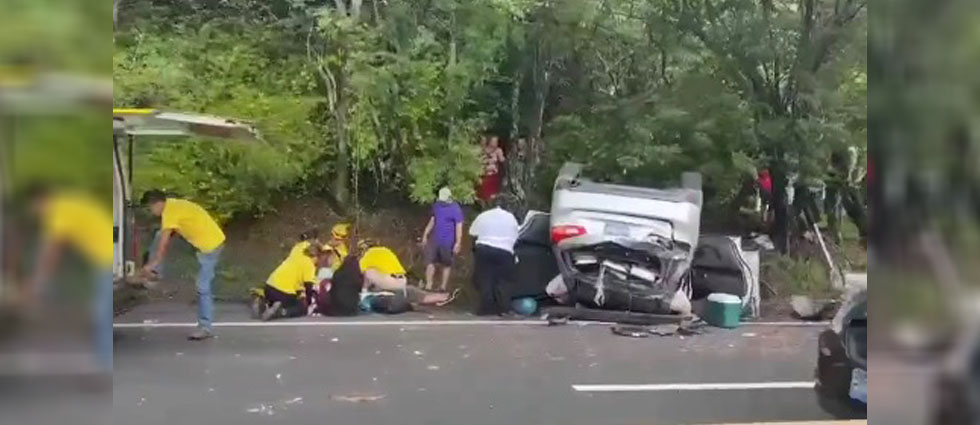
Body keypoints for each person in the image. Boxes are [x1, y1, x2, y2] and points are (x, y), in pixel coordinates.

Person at [26, 186, 114, 372]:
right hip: (104, 258)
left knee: (102, 312)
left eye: (35, 208)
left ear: (40, 200)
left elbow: (53, 248)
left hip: (106, 258)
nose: (36, 213)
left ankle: (105, 362)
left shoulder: (59, 211)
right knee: (100, 310)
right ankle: (103, 360)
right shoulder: (71, 205)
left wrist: (40, 279)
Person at [141, 190, 225, 340]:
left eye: (150, 208)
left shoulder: (170, 212)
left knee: (202, 286)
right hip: (204, 241)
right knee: (160, 235)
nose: (151, 212)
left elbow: (164, 244)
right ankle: (156, 273)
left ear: (157, 204)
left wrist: (152, 264)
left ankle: (205, 328)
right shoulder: (173, 205)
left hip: (210, 247)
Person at [357, 240, 457, 306]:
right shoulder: (385, 251)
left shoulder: (369, 255)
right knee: (411, 292)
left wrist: (363, 290)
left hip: (390, 282)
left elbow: (360, 272)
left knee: (369, 271)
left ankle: (364, 294)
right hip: (401, 280)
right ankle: (443, 296)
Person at [468, 196, 519, 316]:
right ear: (506, 206)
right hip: (505, 251)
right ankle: (503, 309)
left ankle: (485, 309)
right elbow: (516, 236)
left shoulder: (483, 216)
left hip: (484, 249)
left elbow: (472, 232)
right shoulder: (511, 218)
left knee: (485, 279)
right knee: (503, 281)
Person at [260, 243, 325, 321]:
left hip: (269, 287)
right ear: (318, 257)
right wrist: (308, 303)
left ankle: (265, 305)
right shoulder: (309, 265)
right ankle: (281, 312)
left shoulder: (297, 251)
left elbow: (303, 243)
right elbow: (308, 287)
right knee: (301, 307)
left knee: (286, 296)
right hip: (283, 293)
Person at [421, 187, 464, 292]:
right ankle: (428, 285)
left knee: (446, 264)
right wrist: (425, 234)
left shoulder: (455, 208)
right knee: (430, 261)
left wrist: (458, 242)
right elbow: (433, 220)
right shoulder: (437, 206)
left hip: (448, 242)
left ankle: (442, 287)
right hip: (435, 239)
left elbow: (459, 226)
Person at [477, 135, 506, 204]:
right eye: (494, 141)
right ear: (489, 141)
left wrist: (501, 156)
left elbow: (502, 161)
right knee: (483, 194)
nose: (495, 143)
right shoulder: (482, 150)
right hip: (484, 175)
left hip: (494, 176)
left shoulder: (498, 150)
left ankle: (491, 204)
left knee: (493, 195)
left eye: (496, 141)